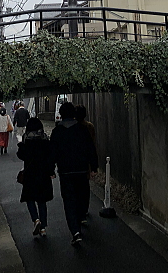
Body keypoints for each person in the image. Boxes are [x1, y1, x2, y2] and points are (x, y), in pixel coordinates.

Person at [50, 101, 98, 246]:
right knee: (81, 195)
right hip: (81, 169)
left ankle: (75, 231)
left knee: (69, 200)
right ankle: (81, 216)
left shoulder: (57, 132)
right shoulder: (82, 130)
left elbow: (52, 152)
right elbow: (90, 148)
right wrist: (94, 166)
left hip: (65, 171)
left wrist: (50, 169)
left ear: (61, 114)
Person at [17, 117, 55, 237]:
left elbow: (21, 155)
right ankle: (43, 228)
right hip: (43, 174)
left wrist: (21, 146)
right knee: (42, 201)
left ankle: (36, 219)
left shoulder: (26, 139)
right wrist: (51, 171)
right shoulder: (45, 139)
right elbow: (50, 157)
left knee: (30, 198)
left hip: (30, 174)